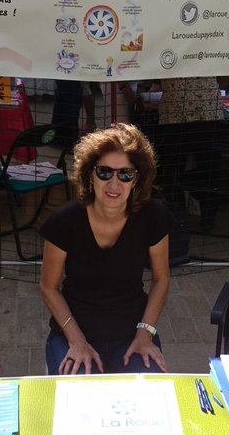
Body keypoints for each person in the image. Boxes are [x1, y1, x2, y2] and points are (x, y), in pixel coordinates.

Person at [39, 123, 172, 375]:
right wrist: (77, 341)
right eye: (104, 172)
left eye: (125, 174)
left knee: (150, 390)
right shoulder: (64, 220)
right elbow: (48, 286)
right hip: (73, 332)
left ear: (136, 179)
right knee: (76, 393)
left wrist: (145, 334)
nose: (114, 183)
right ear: (89, 174)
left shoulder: (153, 216)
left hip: (133, 333)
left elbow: (161, 278)